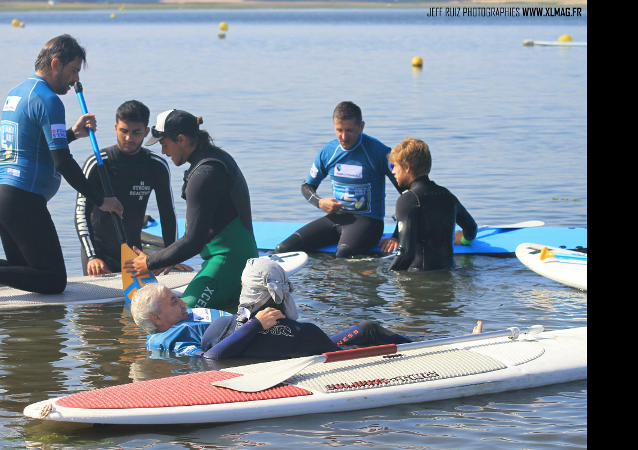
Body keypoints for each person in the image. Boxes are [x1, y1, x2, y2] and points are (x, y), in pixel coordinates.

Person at [0, 34, 123, 299]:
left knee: (27, 270)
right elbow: (62, 161)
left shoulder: (16, 93)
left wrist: (72, 133)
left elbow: (33, 144)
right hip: (23, 199)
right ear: (55, 63)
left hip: (0, 195)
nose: (76, 80)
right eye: (73, 71)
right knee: (53, 281)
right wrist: (100, 200)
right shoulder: (50, 101)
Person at [130, 259, 479, 360]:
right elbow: (208, 359)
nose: (182, 301)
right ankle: (448, 349)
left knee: (366, 330)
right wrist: (259, 323)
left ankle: (444, 344)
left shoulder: (189, 317)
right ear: (157, 319)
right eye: (173, 301)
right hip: (269, 345)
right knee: (367, 333)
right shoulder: (169, 338)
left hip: (276, 339)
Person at [123, 109, 258, 311]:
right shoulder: (214, 160)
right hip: (235, 259)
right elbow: (204, 231)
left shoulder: (204, 174)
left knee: (179, 316)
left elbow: (193, 241)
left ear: (182, 139)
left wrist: (149, 262)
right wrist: (168, 257)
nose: (163, 152)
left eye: (164, 143)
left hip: (227, 263)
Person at [74, 100, 191, 276]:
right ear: (115, 128)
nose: (129, 138)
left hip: (133, 253)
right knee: (97, 306)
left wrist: (170, 256)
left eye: (136, 132)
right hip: (99, 255)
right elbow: (81, 213)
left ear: (146, 132)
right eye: (124, 131)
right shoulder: (97, 163)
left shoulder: (156, 166)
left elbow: (167, 214)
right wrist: (92, 256)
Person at [275, 101, 404, 258]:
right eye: (339, 130)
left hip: (369, 222)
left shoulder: (379, 153)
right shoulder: (328, 152)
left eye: (349, 130)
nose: (344, 136)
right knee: (283, 249)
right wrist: (320, 202)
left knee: (343, 255)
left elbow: (407, 194)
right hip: (336, 218)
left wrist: (397, 235)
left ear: (361, 126)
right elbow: (307, 186)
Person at [380, 137, 478, 271]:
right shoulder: (448, 195)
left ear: (407, 168)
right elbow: (471, 228)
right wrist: (464, 240)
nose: (393, 171)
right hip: (449, 276)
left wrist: (386, 276)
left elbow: (406, 254)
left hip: (419, 280)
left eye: (395, 166)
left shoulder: (408, 200)